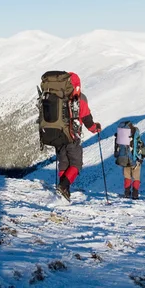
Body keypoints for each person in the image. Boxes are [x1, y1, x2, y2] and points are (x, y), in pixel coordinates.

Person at [56, 72, 101, 201]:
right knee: (76, 164)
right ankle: (63, 187)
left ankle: (64, 192)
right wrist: (95, 128)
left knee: (64, 163)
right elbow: (88, 121)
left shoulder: (58, 98)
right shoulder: (80, 100)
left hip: (58, 137)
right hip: (72, 137)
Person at [113, 121, 145, 199]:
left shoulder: (122, 137)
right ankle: (135, 194)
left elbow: (117, 148)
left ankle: (127, 193)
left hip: (125, 159)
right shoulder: (136, 136)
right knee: (136, 178)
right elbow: (141, 146)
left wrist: (117, 155)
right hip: (136, 160)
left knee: (127, 177)